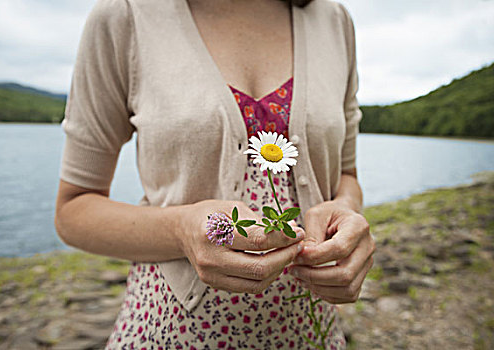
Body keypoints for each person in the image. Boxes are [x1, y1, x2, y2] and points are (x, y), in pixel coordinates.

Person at [55, 0, 375, 348]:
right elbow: (73, 210)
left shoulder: (334, 21)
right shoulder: (124, 16)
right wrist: (181, 230)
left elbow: (346, 174)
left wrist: (347, 213)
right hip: (170, 331)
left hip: (310, 331)